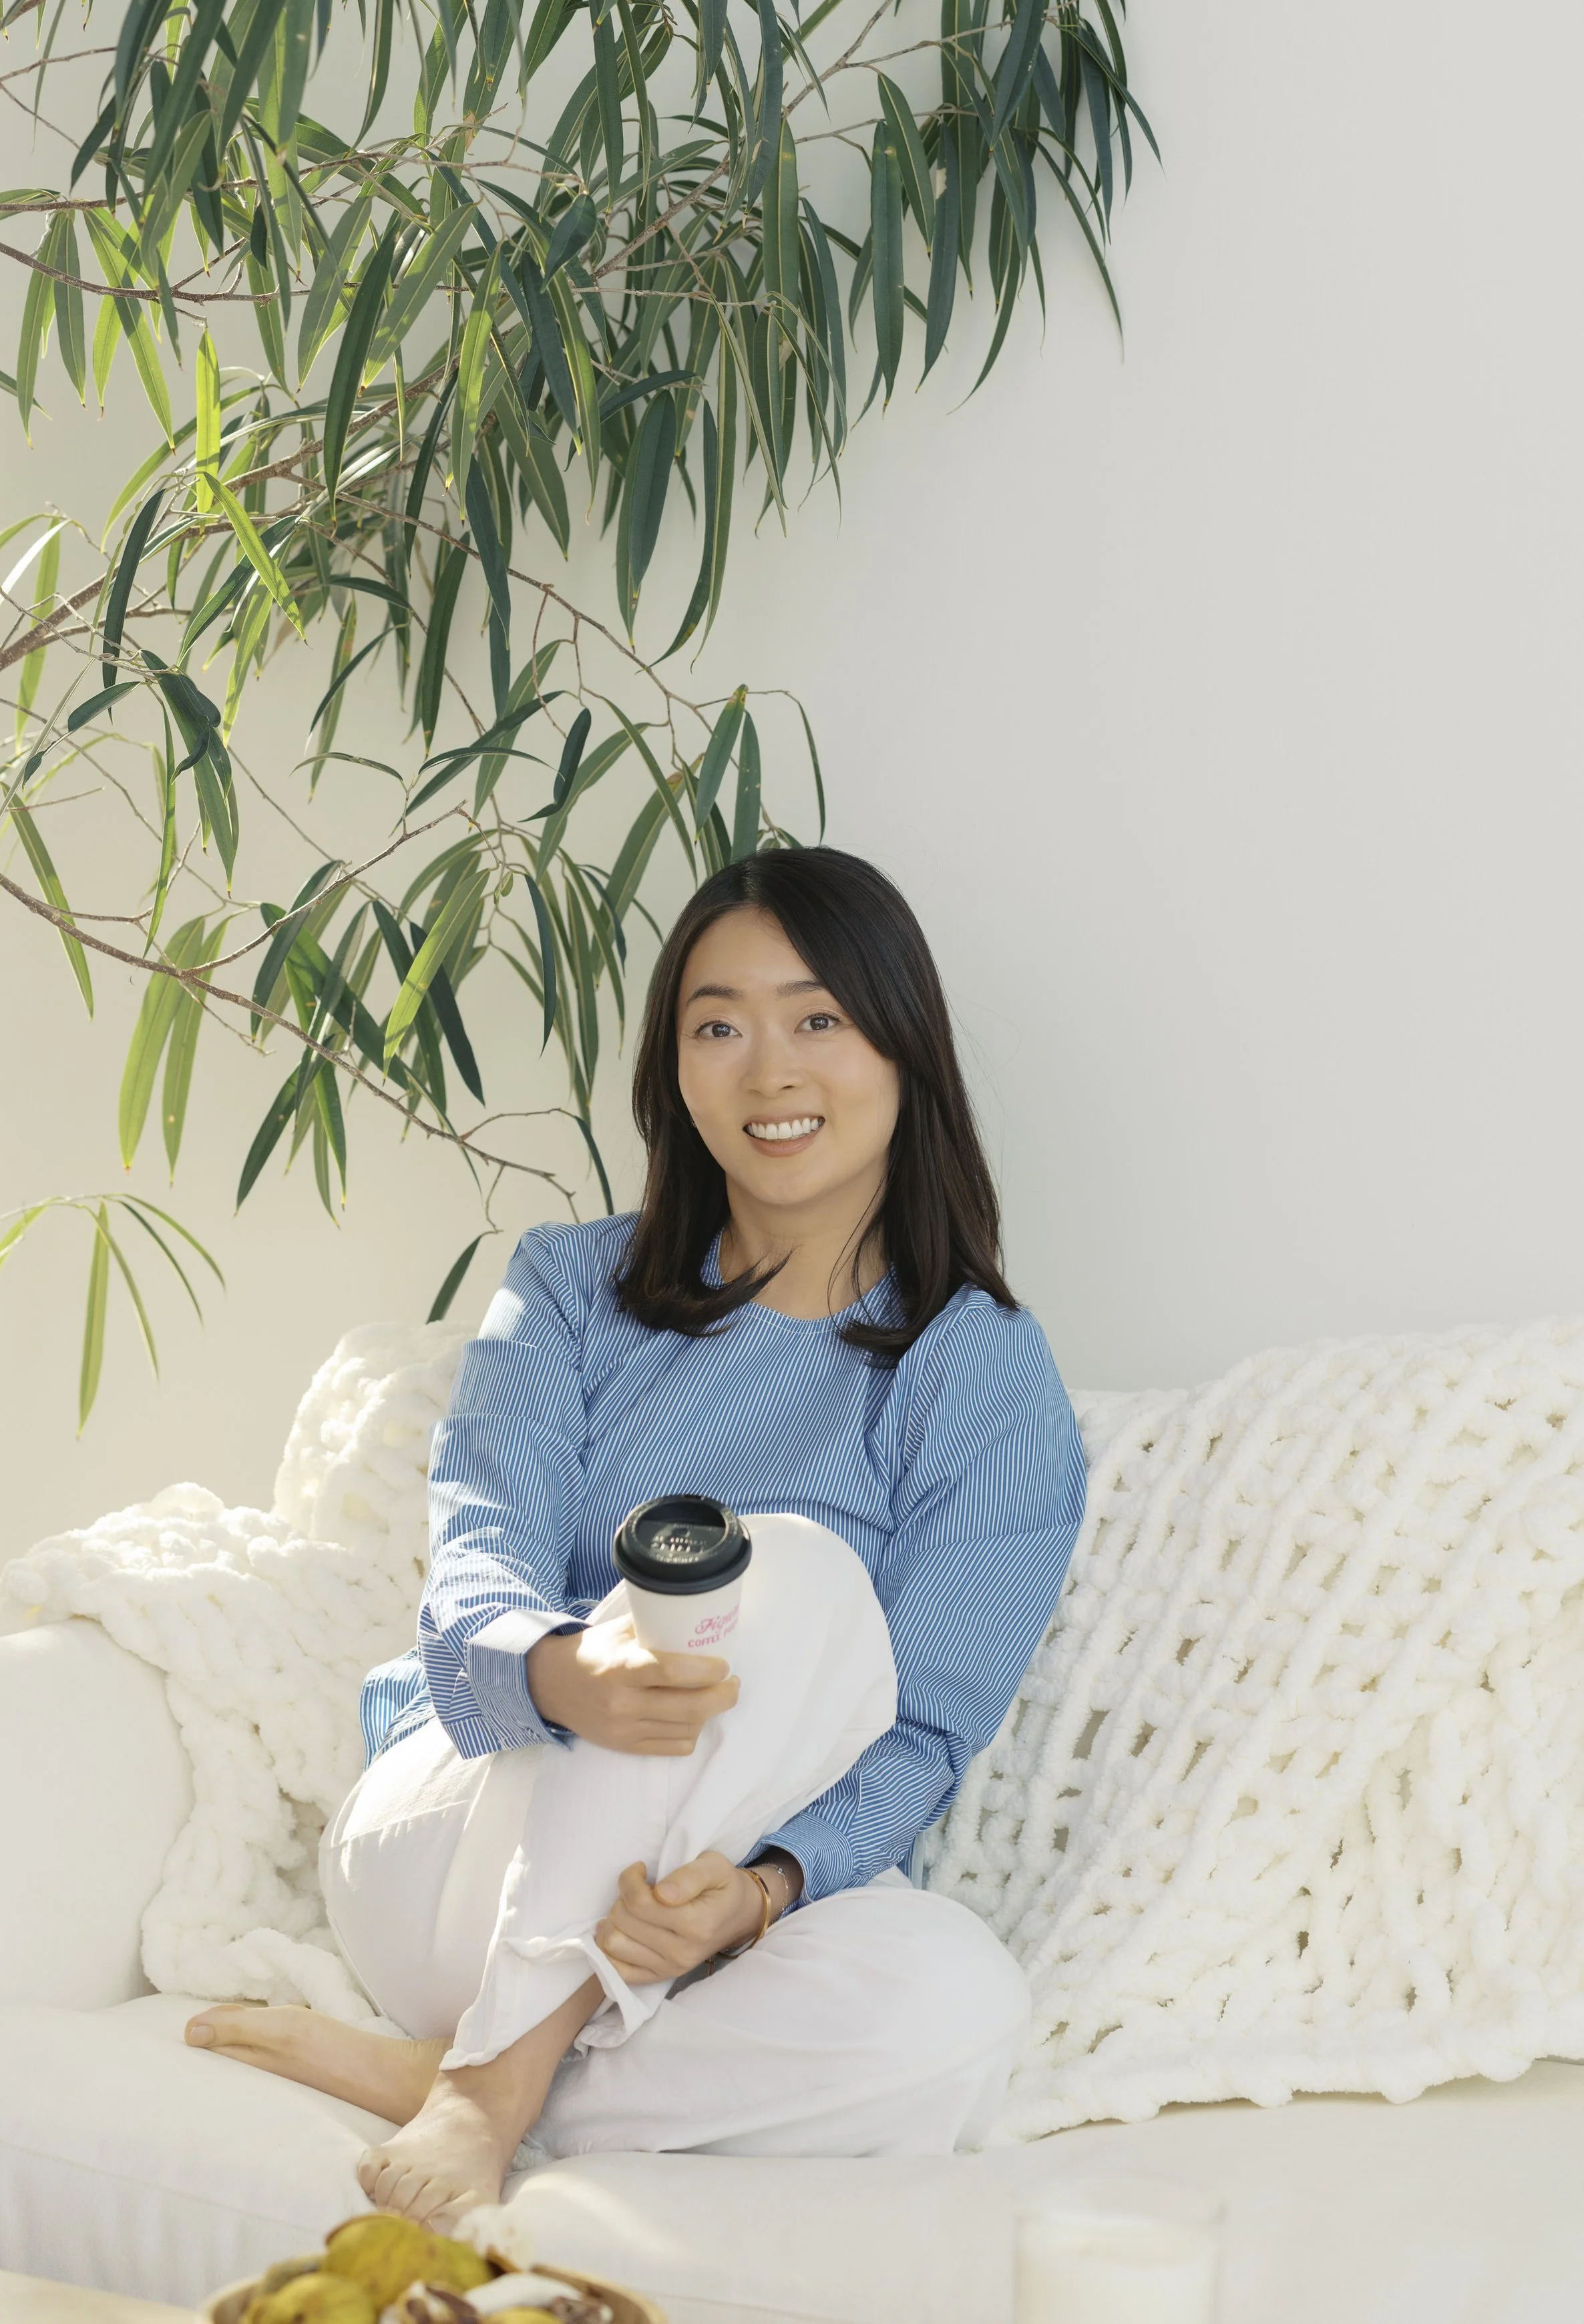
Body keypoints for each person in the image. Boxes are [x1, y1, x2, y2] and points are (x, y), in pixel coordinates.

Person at [186, 847, 1086, 2224]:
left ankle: (467, 2069)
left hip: (689, 1931)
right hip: (470, 1832)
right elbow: (481, 1557)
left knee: (956, 2008)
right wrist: (566, 1674)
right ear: (674, 1073)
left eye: (817, 1018)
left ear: (903, 1048)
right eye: (718, 1027)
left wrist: (763, 1891)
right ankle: (490, 2085)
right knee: (776, 1570)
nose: (769, 1071)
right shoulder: (566, 1288)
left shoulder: (982, 1374)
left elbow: (921, 1731)